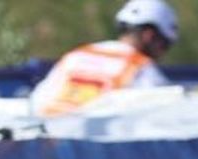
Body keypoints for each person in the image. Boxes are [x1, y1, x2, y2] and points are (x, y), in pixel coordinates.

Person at [29, 0, 179, 117]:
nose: (163, 53)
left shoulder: (76, 55)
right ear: (149, 35)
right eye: (165, 44)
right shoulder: (141, 68)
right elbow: (166, 113)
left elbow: (38, 101)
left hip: (47, 142)